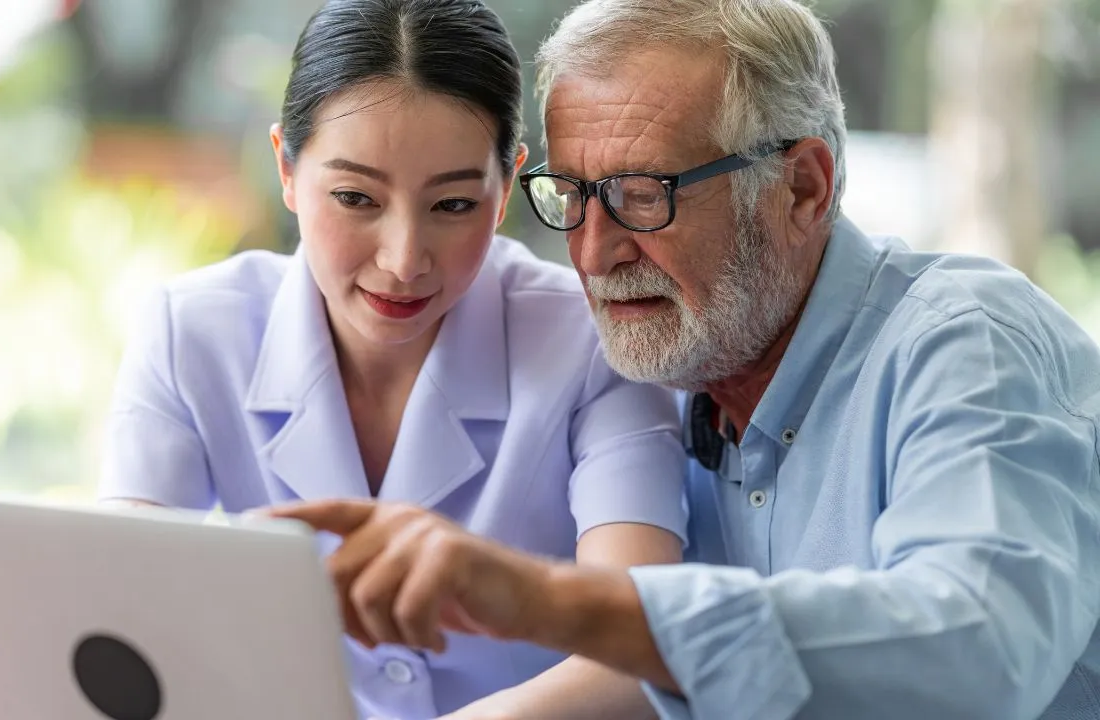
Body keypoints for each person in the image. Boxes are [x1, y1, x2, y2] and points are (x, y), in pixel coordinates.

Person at [268, 0, 1100, 718]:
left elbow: (979, 653)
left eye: (644, 195)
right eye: (574, 196)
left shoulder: (966, 343)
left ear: (803, 187)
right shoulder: (668, 381)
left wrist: (546, 601)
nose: (593, 254)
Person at [98, 1, 688, 718]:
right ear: (286, 167)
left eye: (453, 205)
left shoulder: (591, 342)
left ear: (506, 186)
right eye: (355, 197)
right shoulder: (191, 331)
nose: (404, 261)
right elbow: (117, 608)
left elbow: (640, 642)